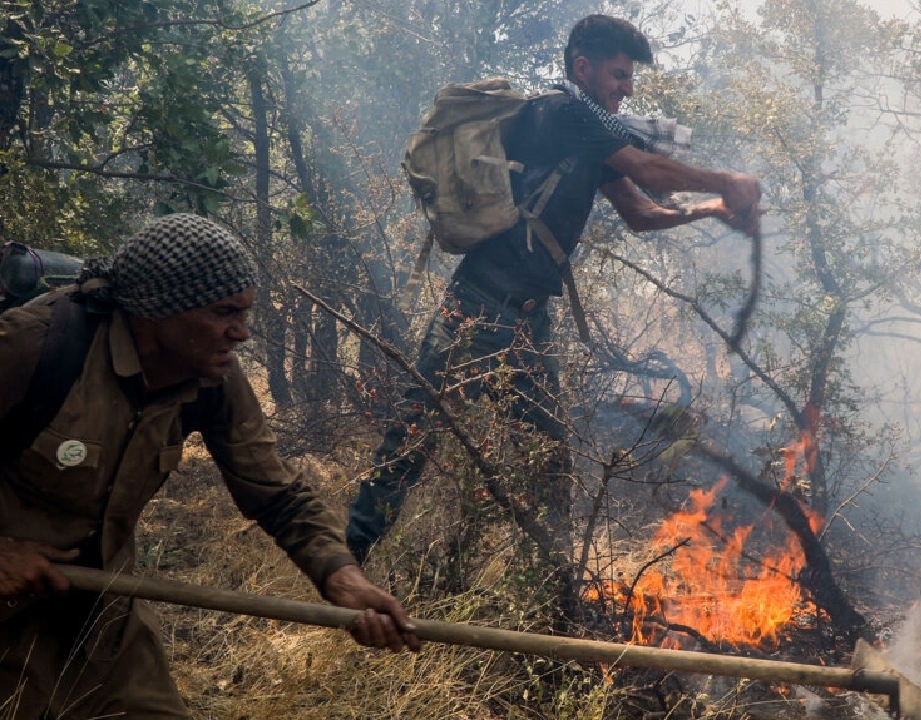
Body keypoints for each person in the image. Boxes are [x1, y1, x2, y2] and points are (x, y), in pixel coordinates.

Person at [346, 14, 763, 563]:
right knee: (416, 434)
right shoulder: (563, 113)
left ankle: (552, 583)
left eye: (630, 77)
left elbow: (639, 212)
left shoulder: (593, 139)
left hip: (528, 319)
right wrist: (724, 181)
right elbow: (647, 169)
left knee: (548, 458)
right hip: (477, 305)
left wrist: (708, 210)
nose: (627, 88)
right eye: (618, 74)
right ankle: (350, 559)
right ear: (582, 68)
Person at [0, 213, 420, 720]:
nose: (241, 334)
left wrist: (341, 578)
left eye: (244, 313)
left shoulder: (212, 377)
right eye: (225, 312)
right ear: (161, 309)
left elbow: (278, 495)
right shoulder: (35, 345)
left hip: (103, 619)